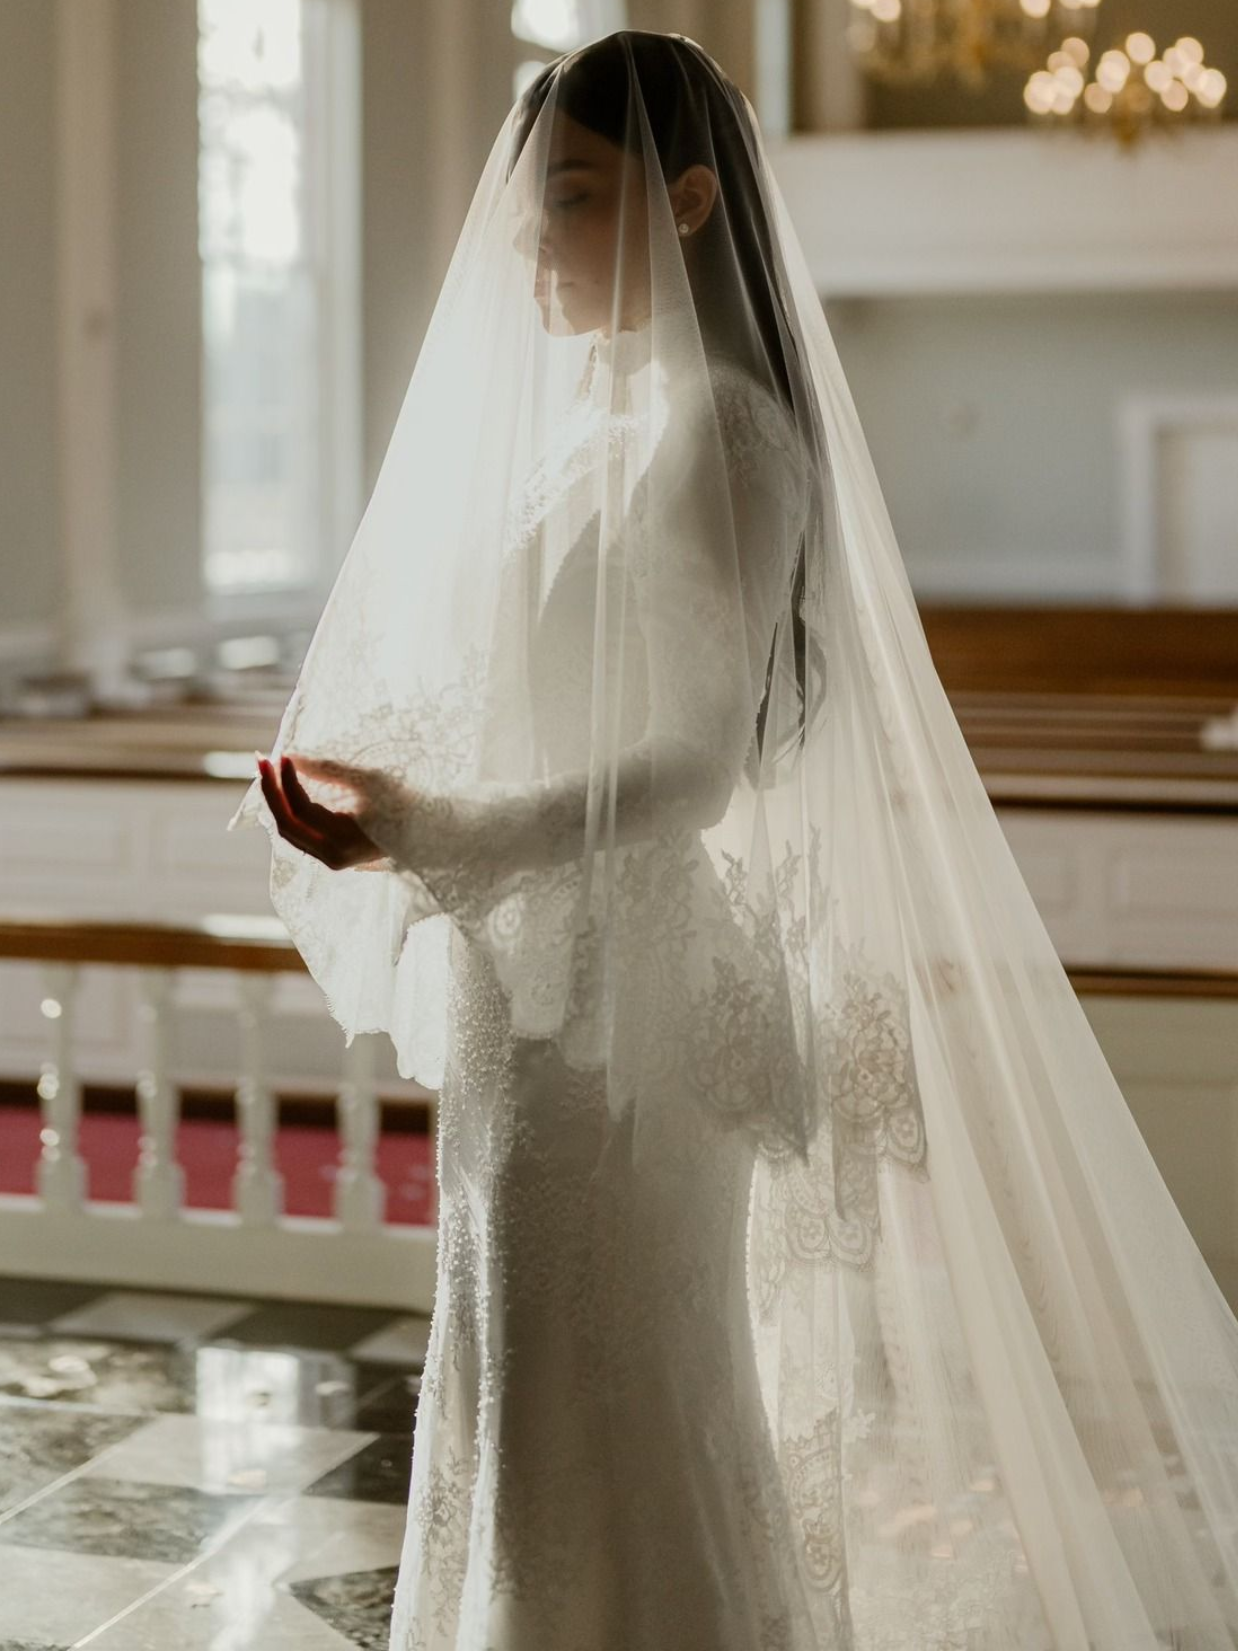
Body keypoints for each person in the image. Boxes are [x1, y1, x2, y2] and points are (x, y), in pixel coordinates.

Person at [229, 29, 1238, 1651]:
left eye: (570, 195)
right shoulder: (591, 431)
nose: (527, 237)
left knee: (611, 1386)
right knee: (514, 1375)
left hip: (629, 1005)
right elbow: (542, 699)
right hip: (527, 983)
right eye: (531, 200)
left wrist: (433, 823)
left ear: (688, 199)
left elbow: (691, 766)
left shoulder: (728, 433)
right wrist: (395, 794)